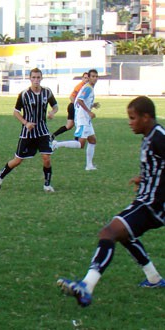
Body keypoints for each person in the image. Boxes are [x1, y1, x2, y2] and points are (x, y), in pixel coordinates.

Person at [57, 96, 165, 307]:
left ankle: (86, 286)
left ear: (146, 117)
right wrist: (143, 178)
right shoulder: (151, 136)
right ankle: (154, 278)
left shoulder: (159, 137)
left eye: (133, 118)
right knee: (125, 235)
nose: (130, 122)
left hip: (152, 205)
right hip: (147, 201)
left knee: (109, 233)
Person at [0, 68, 58, 192]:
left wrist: (52, 112)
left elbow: (55, 106)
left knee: (46, 158)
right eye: (33, 77)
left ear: (41, 78)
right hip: (27, 133)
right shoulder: (24, 94)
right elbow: (16, 112)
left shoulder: (47, 92)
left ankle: (47, 185)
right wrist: (26, 123)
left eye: (38, 77)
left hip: (42, 131)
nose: (36, 80)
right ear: (30, 78)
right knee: (17, 160)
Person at [52, 69, 100, 171]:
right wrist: (89, 112)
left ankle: (89, 165)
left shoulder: (89, 88)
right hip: (83, 118)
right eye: (93, 76)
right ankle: (56, 144)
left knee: (92, 140)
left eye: (96, 76)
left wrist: (92, 105)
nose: (95, 78)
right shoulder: (88, 88)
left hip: (85, 119)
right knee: (80, 144)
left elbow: (82, 101)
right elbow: (79, 100)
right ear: (89, 77)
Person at [50, 72, 89, 140]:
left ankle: (53, 135)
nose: (86, 79)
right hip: (73, 107)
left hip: (74, 107)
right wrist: (77, 106)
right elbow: (71, 97)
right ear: (82, 78)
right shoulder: (80, 86)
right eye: (85, 78)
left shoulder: (87, 87)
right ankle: (77, 140)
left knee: (69, 126)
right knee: (81, 122)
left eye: (88, 78)